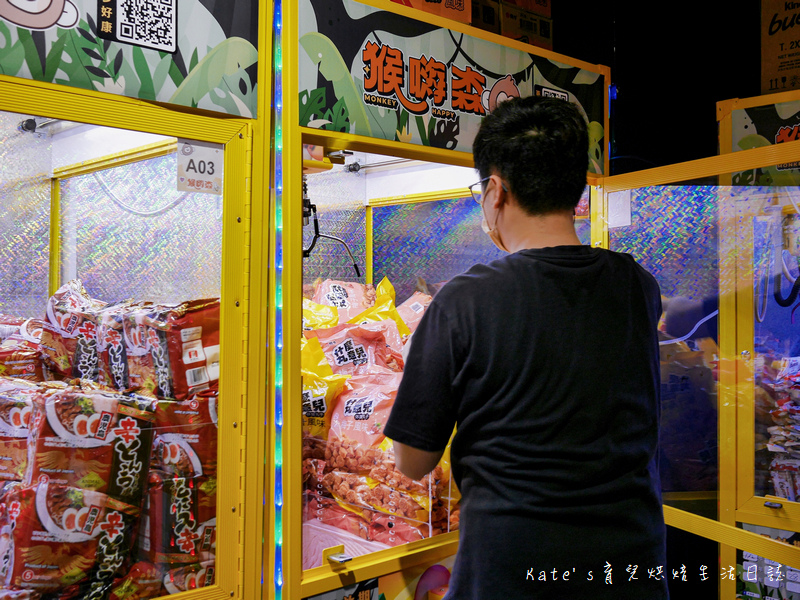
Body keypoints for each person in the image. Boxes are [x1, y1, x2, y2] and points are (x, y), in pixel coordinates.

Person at [383, 96, 669, 599]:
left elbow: (412, 461)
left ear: (495, 190)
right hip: (633, 568)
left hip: (512, 573)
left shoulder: (464, 300)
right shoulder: (637, 286)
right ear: (577, 185)